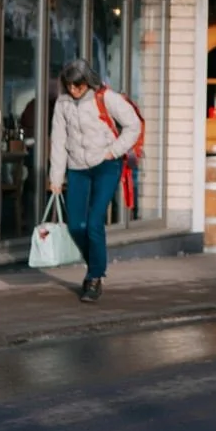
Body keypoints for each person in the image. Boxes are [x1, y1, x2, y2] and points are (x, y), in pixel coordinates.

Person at [47, 59, 142, 302]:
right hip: (77, 167)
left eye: (78, 86)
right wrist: (56, 177)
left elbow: (133, 125)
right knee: (76, 225)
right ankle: (96, 266)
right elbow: (58, 140)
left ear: (88, 81)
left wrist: (114, 151)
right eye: (69, 86)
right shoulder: (63, 103)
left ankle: (94, 278)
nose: (74, 91)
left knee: (94, 223)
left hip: (106, 166)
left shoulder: (106, 97)